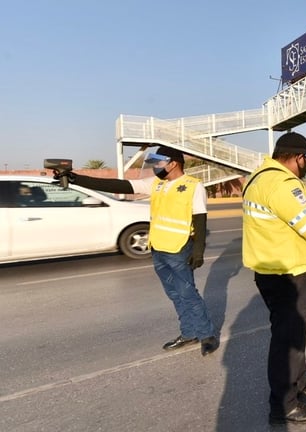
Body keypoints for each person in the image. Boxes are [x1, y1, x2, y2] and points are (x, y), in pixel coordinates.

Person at [51, 146, 219, 356]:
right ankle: (188, 333)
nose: (155, 166)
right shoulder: (156, 184)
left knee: (188, 293)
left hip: (179, 248)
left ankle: (207, 335)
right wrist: (76, 179)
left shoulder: (193, 186)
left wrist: (198, 250)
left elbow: (200, 219)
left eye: (159, 162)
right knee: (174, 294)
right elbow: (116, 184)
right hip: (158, 247)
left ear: (173, 163)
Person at [241, 132, 306, 425]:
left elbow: (293, 197)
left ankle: (297, 378)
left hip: (270, 270)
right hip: (289, 274)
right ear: (297, 158)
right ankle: (284, 404)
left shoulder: (260, 177)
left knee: (290, 333)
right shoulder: (282, 185)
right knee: (289, 340)